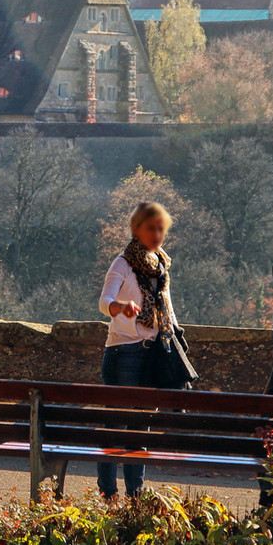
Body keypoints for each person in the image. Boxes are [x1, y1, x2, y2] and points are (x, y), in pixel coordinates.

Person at [97, 201, 188, 500]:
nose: (158, 234)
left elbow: (167, 309)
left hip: (153, 354)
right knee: (117, 426)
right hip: (125, 352)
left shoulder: (161, 265)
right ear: (137, 229)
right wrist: (120, 307)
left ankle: (135, 497)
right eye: (152, 228)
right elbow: (103, 302)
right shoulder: (122, 263)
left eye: (162, 228)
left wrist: (175, 336)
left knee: (139, 429)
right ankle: (109, 495)